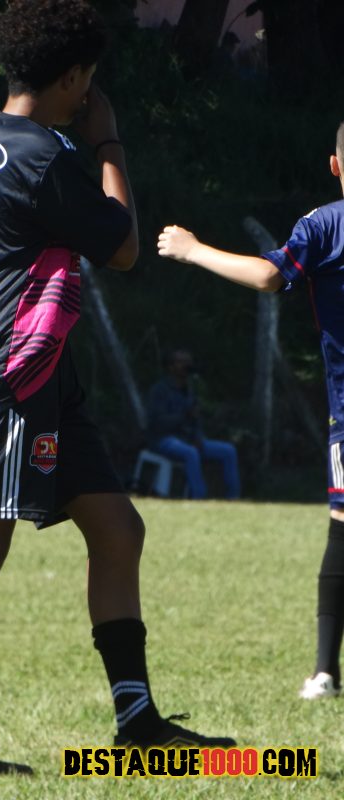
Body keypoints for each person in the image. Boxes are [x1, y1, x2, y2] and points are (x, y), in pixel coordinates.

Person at [0, 0, 235, 777]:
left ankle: (138, 724)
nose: (90, 95)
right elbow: (123, 246)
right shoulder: (43, 156)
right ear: (73, 78)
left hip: (39, 373)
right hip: (15, 376)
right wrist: (109, 140)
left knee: (118, 530)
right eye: (89, 83)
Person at [157, 120, 344, 701]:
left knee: (343, 533)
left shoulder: (326, 224)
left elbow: (268, 276)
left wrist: (192, 250)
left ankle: (324, 672)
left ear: (335, 166)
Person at [147, 348, 241, 499]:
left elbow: (195, 420)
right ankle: (199, 498)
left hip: (188, 439)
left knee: (228, 451)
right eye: (181, 362)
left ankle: (233, 498)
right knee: (191, 452)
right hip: (163, 439)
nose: (187, 365)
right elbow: (157, 423)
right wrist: (184, 416)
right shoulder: (160, 390)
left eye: (188, 361)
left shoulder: (190, 389)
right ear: (171, 367)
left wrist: (197, 437)